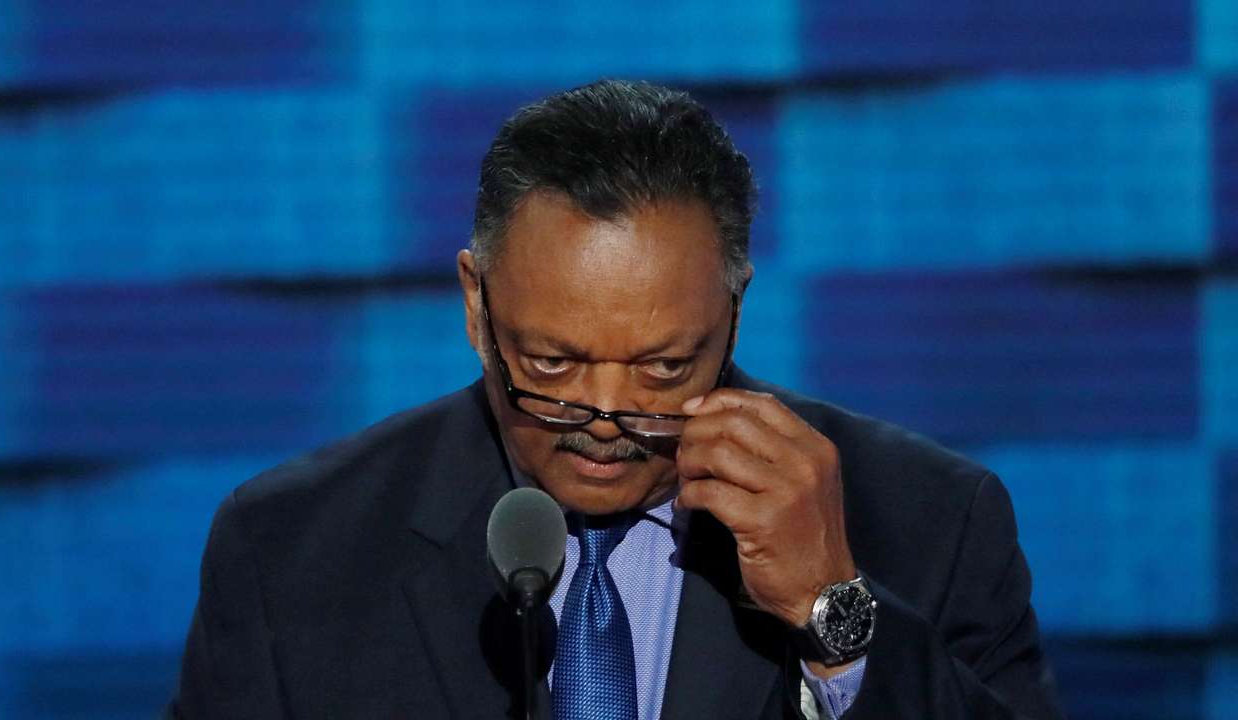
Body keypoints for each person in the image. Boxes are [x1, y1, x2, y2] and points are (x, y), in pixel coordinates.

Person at [169, 80, 1064, 719]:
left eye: (664, 369)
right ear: (476, 305)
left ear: (736, 311)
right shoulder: (290, 549)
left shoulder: (931, 520)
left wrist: (837, 619)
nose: (603, 420)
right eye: (552, 364)